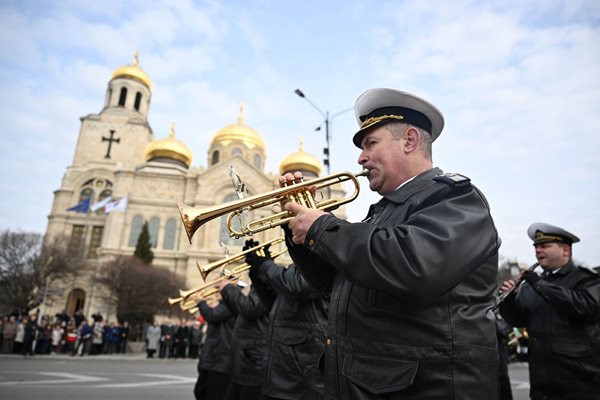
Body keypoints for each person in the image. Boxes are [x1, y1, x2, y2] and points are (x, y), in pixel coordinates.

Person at [280, 88, 501, 399]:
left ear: (409, 141)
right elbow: (336, 286)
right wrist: (300, 231)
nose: (361, 157)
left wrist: (322, 227)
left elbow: (414, 264)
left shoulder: (456, 198)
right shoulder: (382, 214)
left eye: (371, 143)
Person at [498, 222, 600, 399]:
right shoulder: (533, 285)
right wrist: (509, 300)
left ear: (565, 250)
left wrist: (538, 283)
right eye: (536, 246)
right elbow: (519, 320)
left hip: (579, 385)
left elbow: (584, 306)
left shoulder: (585, 279)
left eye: (544, 246)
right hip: (541, 386)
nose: (538, 250)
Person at [244, 240, 329, 400]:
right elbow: (273, 302)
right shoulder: (298, 264)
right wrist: (257, 274)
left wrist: (265, 265)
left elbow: (296, 286)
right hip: (280, 370)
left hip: (300, 376)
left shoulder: (322, 258)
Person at [215, 274, 270, 400]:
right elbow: (240, 310)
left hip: (252, 360)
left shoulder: (266, 281)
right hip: (245, 360)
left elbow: (249, 309)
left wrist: (228, 288)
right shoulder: (259, 282)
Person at [194, 294, 236, 400]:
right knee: (202, 391)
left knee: (213, 393)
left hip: (219, 359)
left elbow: (211, 316)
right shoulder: (224, 305)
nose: (216, 292)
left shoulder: (230, 305)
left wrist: (201, 302)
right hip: (214, 358)